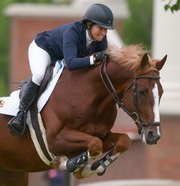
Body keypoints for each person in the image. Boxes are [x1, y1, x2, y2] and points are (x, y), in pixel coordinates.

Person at [7, 3, 114, 136]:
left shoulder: (101, 40)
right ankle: (20, 115)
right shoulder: (73, 32)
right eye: (101, 28)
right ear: (89, 24)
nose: (103, 33)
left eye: (106, 30)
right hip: (44, 49)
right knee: (39, 75)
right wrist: (93, 59)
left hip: (61, 57)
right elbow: (71, 63)